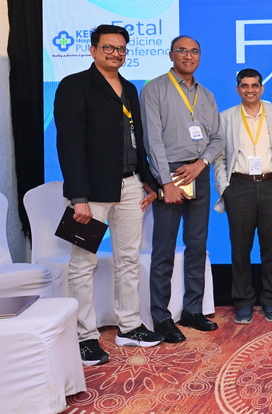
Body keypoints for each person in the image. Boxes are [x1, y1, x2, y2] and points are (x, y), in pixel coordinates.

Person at [54, 24, 162, 365]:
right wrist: (78, 197)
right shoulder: (74, 85)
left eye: (121, 49)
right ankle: (84, 337)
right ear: (93, 50)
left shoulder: (129, 87)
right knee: (82, 263)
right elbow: (69, 144)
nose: (116, 53)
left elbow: (136, 139)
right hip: (92, 192)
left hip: (130, 186)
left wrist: (147, 180)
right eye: (108, 47)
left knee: (128, 259)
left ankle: (129, 326)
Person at [141, 36, 224, 342]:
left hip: (197, 172)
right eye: (182, 51)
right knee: (164, 248)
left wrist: (201, 164)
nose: (189, 56)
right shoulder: (154, 89)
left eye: (194, 51)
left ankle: (192, 310)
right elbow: (152, 140)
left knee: (197, 245)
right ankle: (161, 317)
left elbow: (218, 139)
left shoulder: (207, 95)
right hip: (170, 173)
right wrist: (165, 181)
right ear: (171, 55)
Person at [213, 68, 272, 325]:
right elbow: (219, 157)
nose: (250, 90)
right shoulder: (226, 117)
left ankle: (271, 300)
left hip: (271, 186)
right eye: (244, 86)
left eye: (255, 85)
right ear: (238, 90)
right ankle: (243, 302)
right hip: (239, 187)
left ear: (262, 88)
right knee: (240, 249)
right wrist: (225, 188)